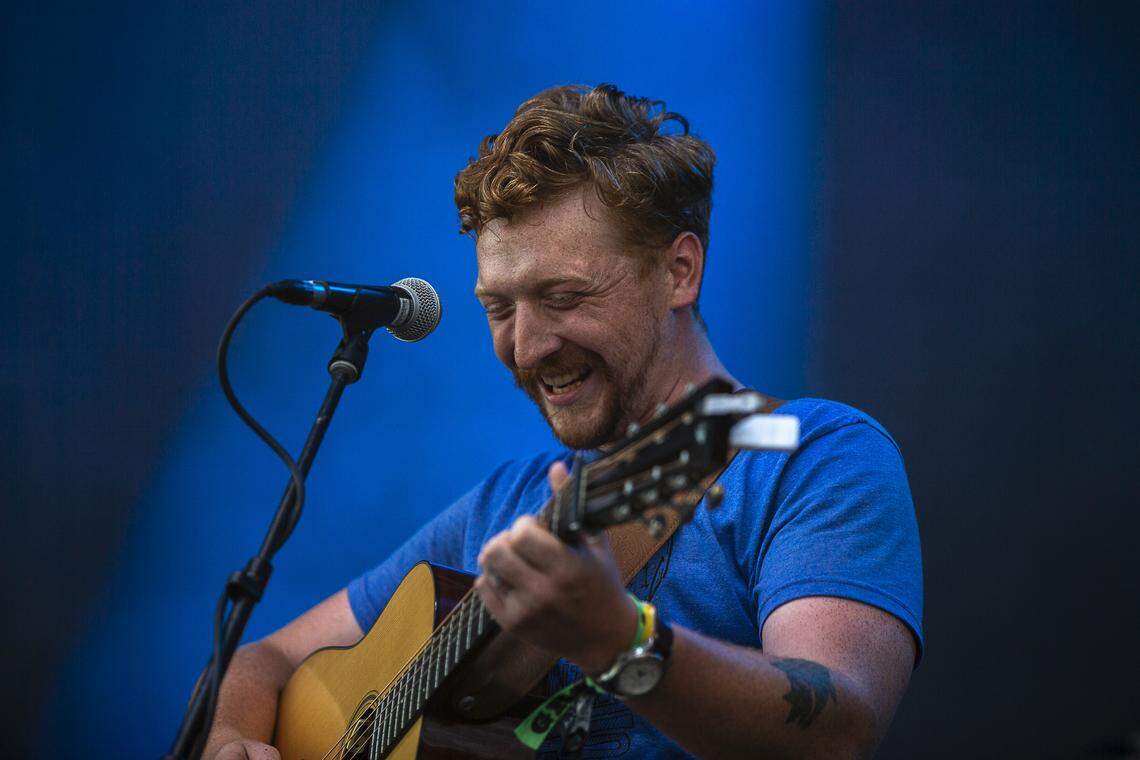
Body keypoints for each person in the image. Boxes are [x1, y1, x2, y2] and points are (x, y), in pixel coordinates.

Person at [204, 83, 923, 760]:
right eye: (500, 307)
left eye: (563, 295)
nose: (525, 346)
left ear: (680, 270)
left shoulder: (811, 458)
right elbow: (260, 658)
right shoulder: (499, 507)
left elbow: (837, 728)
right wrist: (231, 734)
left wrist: (620, 641)